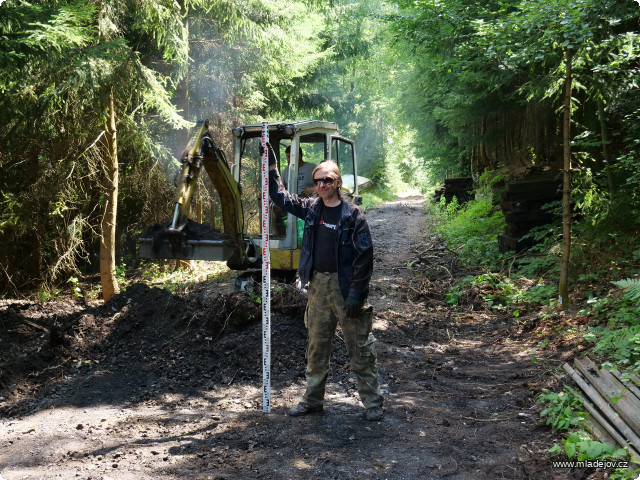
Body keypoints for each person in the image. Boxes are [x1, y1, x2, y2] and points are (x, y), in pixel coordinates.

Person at [268, 158, 384, 421]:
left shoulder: (353, 215)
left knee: (360, 347)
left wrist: (356, 294)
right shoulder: (311, 210)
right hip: (318, 285)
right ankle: (313, 401)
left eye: (327, 180)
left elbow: (365, 257)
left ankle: (373, 403)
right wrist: (273, 169)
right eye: (318, 180)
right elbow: (281, 197)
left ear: (337, 182)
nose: (321, 185)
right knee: (316, 346)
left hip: (345, 288)